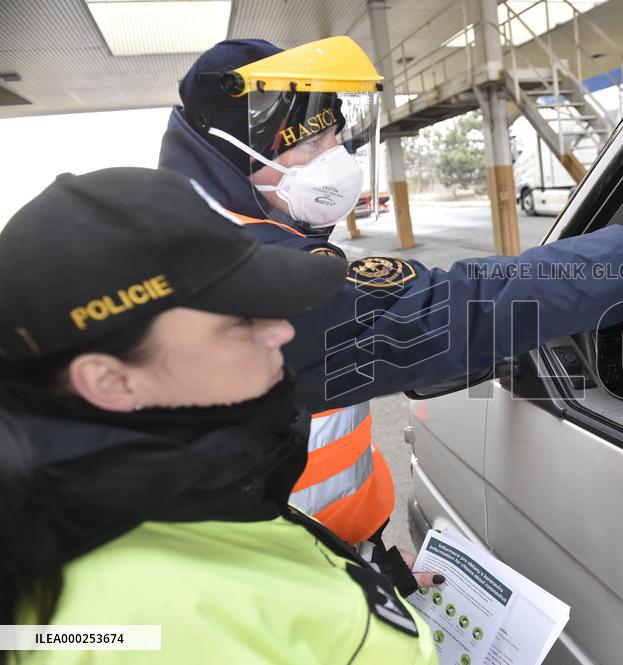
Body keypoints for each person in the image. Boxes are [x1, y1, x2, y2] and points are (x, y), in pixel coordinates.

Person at [159, 36, 623, 580]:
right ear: (235, 151)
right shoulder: (244, 274)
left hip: (318, 567)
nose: (334, 157)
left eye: (335, 137)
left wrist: (378, 572)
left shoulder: (222, 230)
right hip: (267, 597)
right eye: (313, 143)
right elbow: (459, 310)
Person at [0, 167, 436, 663]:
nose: (282, 333)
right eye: (241, 319)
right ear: (110, 381)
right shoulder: (140, 629)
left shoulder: (169, 487)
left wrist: (371, 590)